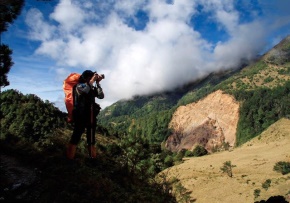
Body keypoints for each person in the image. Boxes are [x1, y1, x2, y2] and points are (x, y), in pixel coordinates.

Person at [66, 70, 104, 160]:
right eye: (91, 77)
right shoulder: (78, 86)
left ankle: (92, 158)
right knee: (76, 136)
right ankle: (69, 159)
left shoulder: (91, 87)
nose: (92, 78)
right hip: (80, 115)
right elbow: (83, 92)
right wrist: (91, 82)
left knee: (91, 138)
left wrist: (98, 83)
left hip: (90, 115)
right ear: (86, 78)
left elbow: (101, 96)